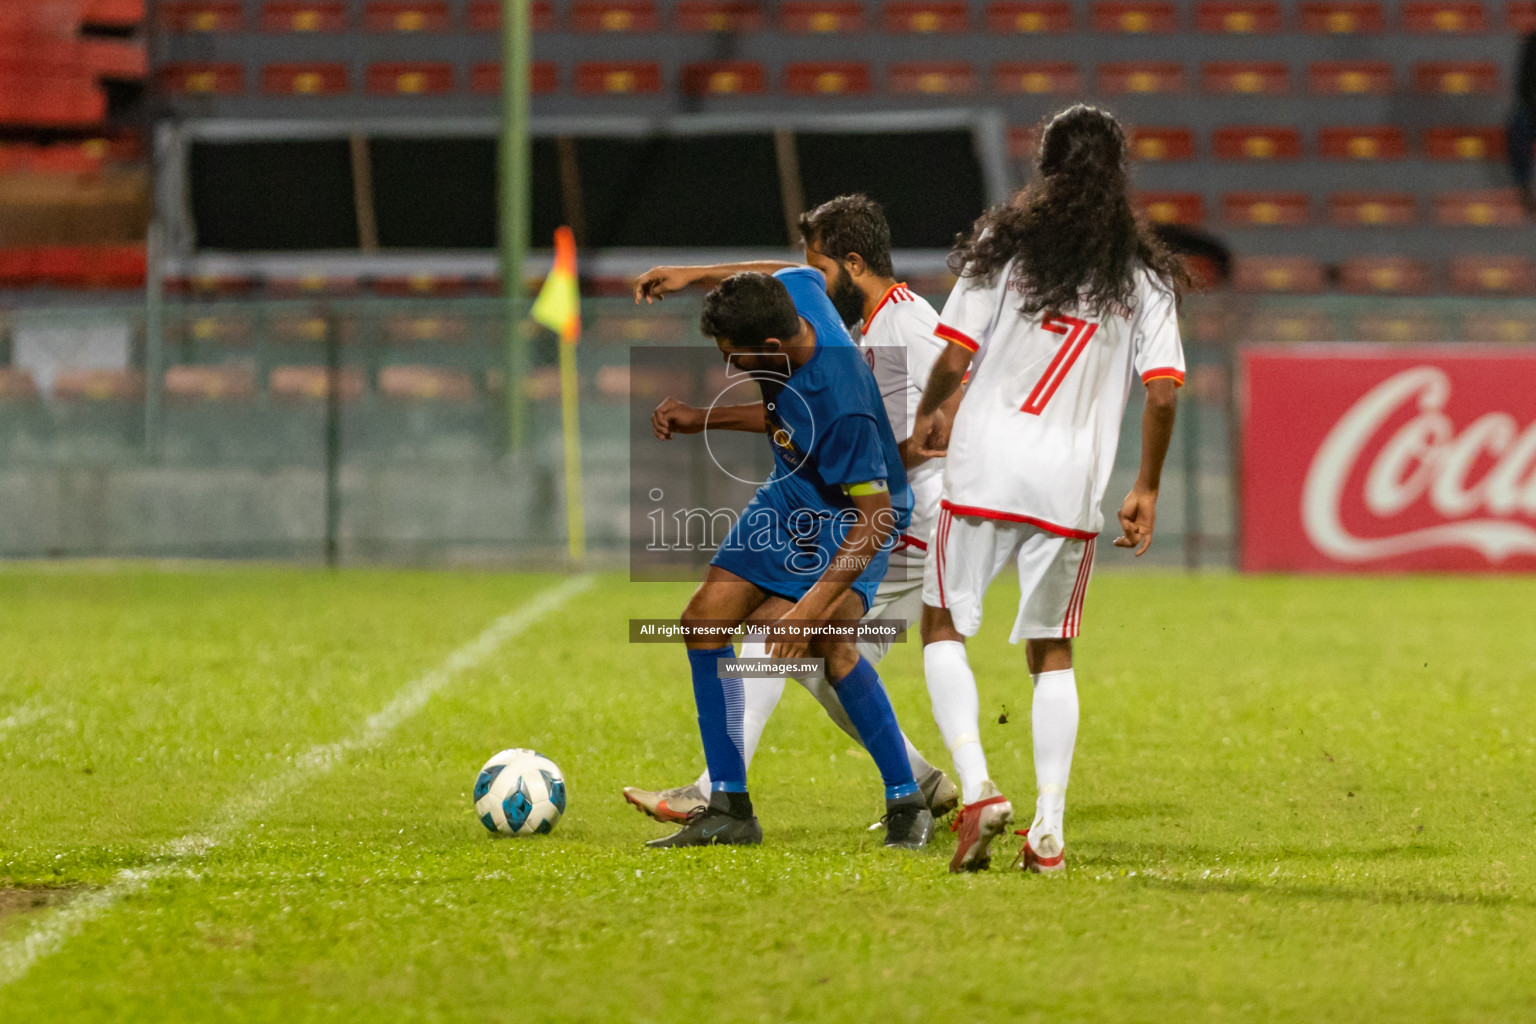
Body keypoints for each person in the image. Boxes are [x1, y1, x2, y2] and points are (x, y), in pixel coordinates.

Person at [908, 104, 1188, 873]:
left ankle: (977, 788)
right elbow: (1163, 392)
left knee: (940, 628)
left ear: (1046, 167)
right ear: (1119, 171)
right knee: (1053, 652)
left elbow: (955, 353)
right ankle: (1049, 830)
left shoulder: (1004, 251)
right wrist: (1147, 486)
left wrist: (932, 411)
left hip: (984, 467)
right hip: (1070, 485)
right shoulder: (1143, 276)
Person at [623, 195, 962, 826]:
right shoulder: (803, 293)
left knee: (820, 645)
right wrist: (694, 279)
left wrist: (806, 609)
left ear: (773, 344)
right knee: (704, 622)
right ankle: (727, 804)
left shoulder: (845, 402)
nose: (729, 366)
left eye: (736, 355)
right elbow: (780, 274)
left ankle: (908, 795)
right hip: (789, 495)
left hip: (851, 517)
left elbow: (875, 514)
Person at [1509, 32, 1536, 216]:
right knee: (1519, 124)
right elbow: (1522, 86)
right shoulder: (1532, 44)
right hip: (1533, 108)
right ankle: (1524, 188)